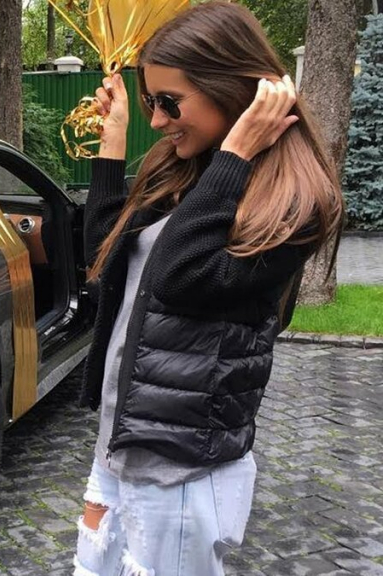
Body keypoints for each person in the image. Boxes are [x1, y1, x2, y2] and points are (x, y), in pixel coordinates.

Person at [72, 2, 345, 575]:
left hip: (183, 465)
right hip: (123, 441)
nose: (157, 120)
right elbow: (107, 263)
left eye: (170, 102)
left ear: (232, 90)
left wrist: (235, 156)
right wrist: (113, 141)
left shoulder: (293, 199)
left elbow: (180, 282)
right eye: (150, 102)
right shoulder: (185, 165)